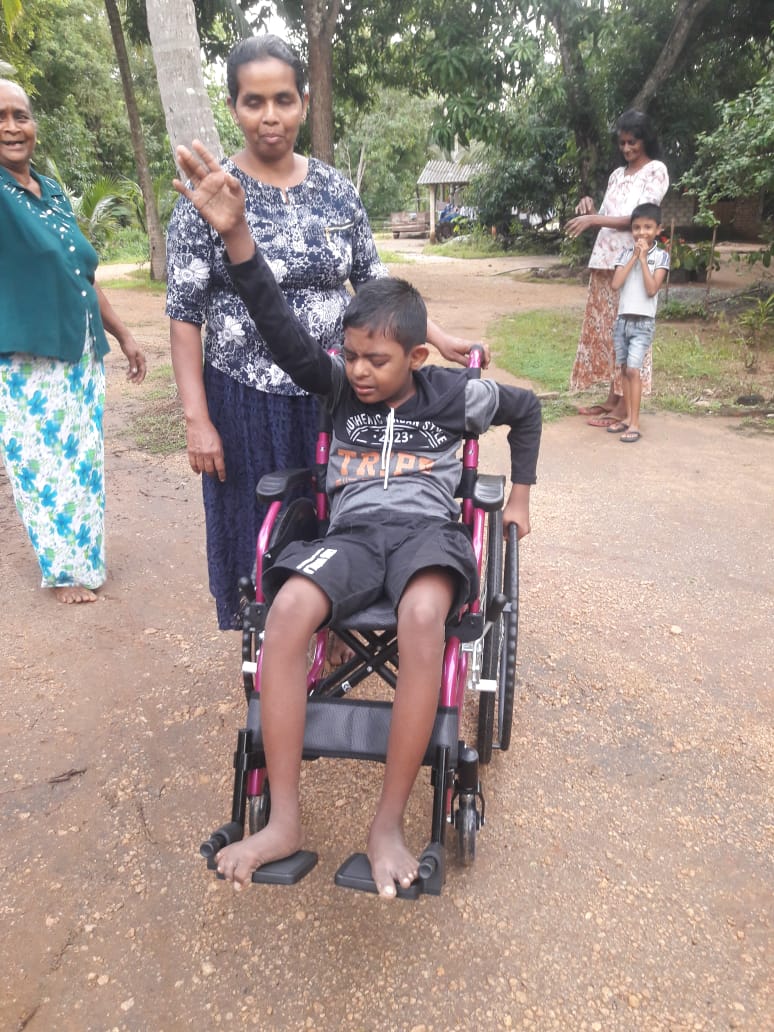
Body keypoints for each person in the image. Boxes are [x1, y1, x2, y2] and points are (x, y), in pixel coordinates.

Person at [172, 140, 543, 898]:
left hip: (428, 536)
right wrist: (238, 237)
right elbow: (276, 322)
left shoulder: (454, 397)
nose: (360, 371)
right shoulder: (339, 387)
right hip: (352, 538)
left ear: (416, 357)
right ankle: (282, 820)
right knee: (285, 613)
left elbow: (528, 409)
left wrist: (521, 498)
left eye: (378, 360)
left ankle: (387, 826)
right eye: (351, 356)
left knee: (423, 618)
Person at [166, 35, 482, 632]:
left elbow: (373, 281)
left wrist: (436, 338)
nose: (270, 116)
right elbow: (185, 317)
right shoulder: (208, 198)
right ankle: (265, 643)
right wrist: (197, 418)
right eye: (254, 102)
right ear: (233, 107)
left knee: (338, 513)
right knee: (258, 518)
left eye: (283, 100)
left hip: (336, 389)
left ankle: (333, 630)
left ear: (304, 103)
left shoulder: (336, 189)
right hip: (245, 395)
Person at [0, 80, 146, 604]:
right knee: (42, 465)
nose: (12, 127)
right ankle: (63, 572)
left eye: (21, 115)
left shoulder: (53, 193)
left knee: (82, 461)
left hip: (82, 351)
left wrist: (123, 333)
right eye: (0, 118)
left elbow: (80, 272)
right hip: (29, 357)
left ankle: (83, 559)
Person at [565, 110, 669, 427]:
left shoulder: (656, 171)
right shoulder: (616, 175)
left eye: (632, 142)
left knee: (629, 330)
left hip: (633, 261)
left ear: (645, 140)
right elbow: (610, 216)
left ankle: (625, 406)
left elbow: (640, 218)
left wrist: (593, 219)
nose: (626, 148)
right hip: (605, 260)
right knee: (611, 333)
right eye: (622, 143)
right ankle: (613, 398)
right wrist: (590, 209)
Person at [606, 203, 669, 443]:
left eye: (648, 227)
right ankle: (627, 418)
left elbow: (652, 289)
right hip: (622, 321)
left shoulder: (661, 256)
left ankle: (635, 423)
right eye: (637, 228)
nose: (642, 232)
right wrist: (634, 256)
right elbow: (615, 284)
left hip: (643, 323)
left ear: (658, 229)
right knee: (624, 369)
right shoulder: (625, 255)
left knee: (634, 370)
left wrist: (643, 260)